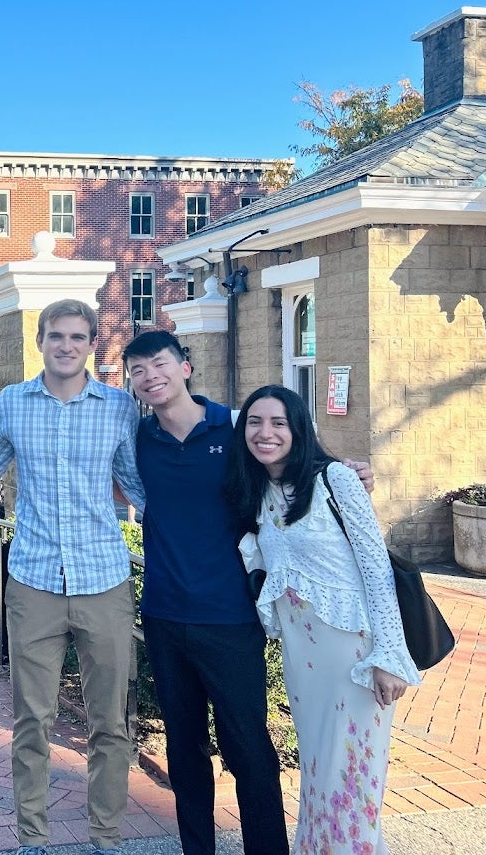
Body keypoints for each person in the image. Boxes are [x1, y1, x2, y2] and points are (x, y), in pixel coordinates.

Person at [122, 330, 372, 855]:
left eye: (160, 363)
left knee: (248, 749)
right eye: (138, 369)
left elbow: (291, 464)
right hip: (165, 614)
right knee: (184, 749)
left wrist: (347, 472)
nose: (151, 376)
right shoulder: (138, 437)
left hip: (231, 617)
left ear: (185, 366)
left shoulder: (236, 428)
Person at [0, 299, 146, 855]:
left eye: (77, 337)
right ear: (40, 340)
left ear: (91, 343)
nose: (66, 345)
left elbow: (138, 485)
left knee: (110, 722)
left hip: (104, 579)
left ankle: (106, 839)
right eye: (56, 336)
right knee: (31, 721)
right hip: (33, 580)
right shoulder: (12, 403)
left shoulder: (119, 408)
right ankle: (33, 839)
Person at [224, 385, 421, 855]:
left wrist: (389, 655)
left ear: (299, 429)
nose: (265, 433)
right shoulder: (258, 491)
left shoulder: (336, 479)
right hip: (302, 658)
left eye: (279, 423)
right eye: (254, 422)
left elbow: (376, 569)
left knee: (352, 777)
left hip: (351, 652)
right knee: (318, 774)